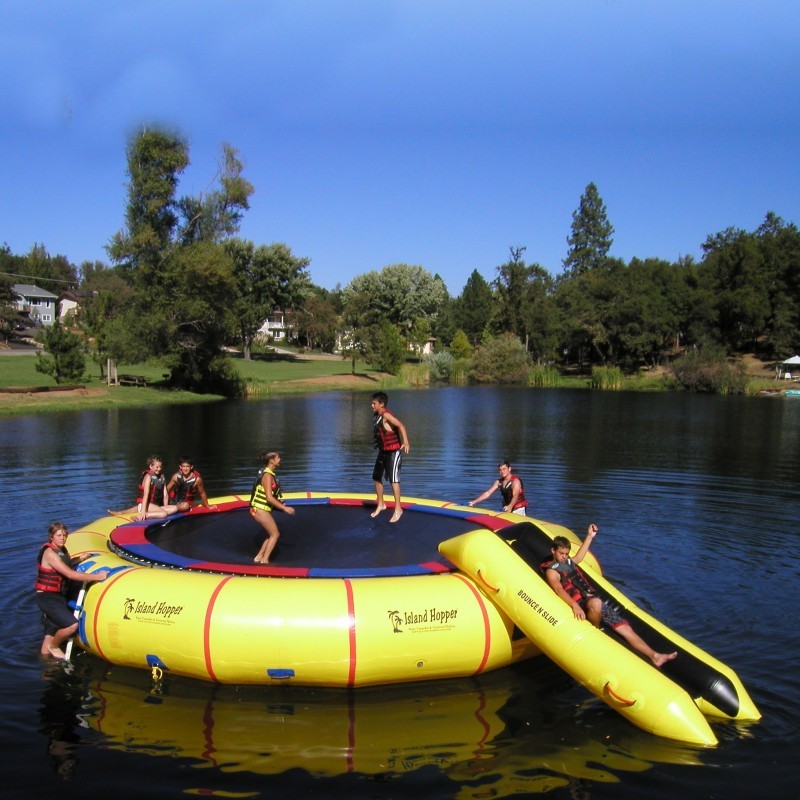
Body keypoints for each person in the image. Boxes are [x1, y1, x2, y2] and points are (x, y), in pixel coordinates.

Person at [541, 524, 677, 668]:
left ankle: (655, 656)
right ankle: (596, 631)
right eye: (561, 553)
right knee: (596, 603)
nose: (564, 557)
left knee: (625, 628)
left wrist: (589, 536)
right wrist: (574, 605)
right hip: (581, 603)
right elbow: (558, 589)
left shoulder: (568, 562)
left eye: (567, 554)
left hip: (592, 600)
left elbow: (580, 556)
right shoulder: (552, 571)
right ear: (553, 550)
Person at [35, 522, 108, 661]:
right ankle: (55, 647)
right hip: (47, 597)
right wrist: (97, 576)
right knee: (72, 625)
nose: (62, 538)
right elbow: (70, 574)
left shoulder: (61, 550)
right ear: (51, 537)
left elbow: (64, 565)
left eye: (64, 535)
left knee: (50, 633)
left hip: (56, 596)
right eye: (58, 535)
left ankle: (45, 664)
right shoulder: (50, 553)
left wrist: (78, 559)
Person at [369, 391, 410, 523]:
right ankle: (381, 504)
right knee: (376, 478)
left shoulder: (386, 415)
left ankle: (398, 509)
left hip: (393, 452)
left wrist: (406, 441)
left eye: (374, 403)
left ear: (381, 404)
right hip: (383, 452)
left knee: (393, 480)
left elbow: (401, 425)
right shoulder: (377, 416)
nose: (371, 405)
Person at [250, 450, 295, 563]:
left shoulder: (269, 474)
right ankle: (265, 560)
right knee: (275, 534)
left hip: (261, 509)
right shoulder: (268, 475)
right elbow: (269, 497)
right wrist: (284, 508)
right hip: (260, 509)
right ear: (271, 460)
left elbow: (270, 495)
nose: (280, 459)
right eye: (278, 458)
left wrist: (279, 500)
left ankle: (259, 557)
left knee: (271, 534)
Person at [109, 455, 178, 521]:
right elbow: (146, 494)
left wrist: (165, 507)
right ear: (151, 466)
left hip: (153, 506)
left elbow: (165, 495)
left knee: (175, 508)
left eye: (160, 467)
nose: (159, 469)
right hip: (145, 504)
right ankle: (140, 516)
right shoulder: (148, 477)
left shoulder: (162, 477)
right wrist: (143, 512)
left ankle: (121, 512)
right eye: (157, 467)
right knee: (163, 514)